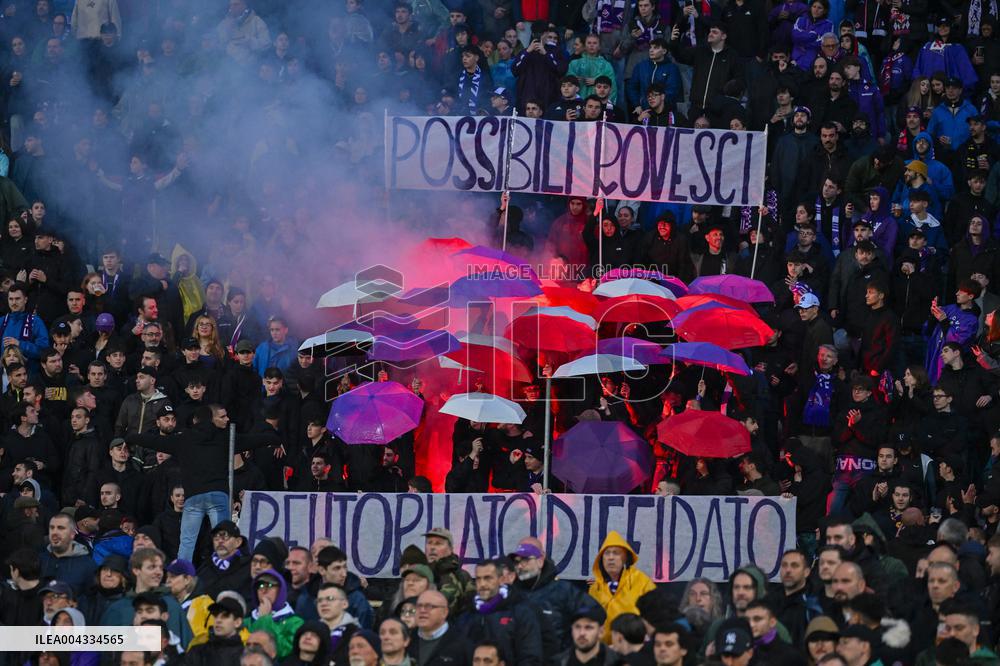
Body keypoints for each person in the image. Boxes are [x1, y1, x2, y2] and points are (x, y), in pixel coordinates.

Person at [124, 404, 280, 562]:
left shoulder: (183, 439)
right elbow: (253, 440)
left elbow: (153, 441)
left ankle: (182, 575)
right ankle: (224, 570)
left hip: (193, 497)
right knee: (223, 540)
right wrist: (275, 439)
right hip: (219, 496)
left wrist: (130, 438)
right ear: (211, 420)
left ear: (194, 420)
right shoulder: (224, 437)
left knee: (186, 543)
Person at [588, 531, 656, 643]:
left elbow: (656, 614)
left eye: (616, 553)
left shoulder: (642, 581)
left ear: (625, 557)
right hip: (605, 649)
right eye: (607, 553)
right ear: (601, 559)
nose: (610, 558)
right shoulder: (594, 588)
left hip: (635, 645)